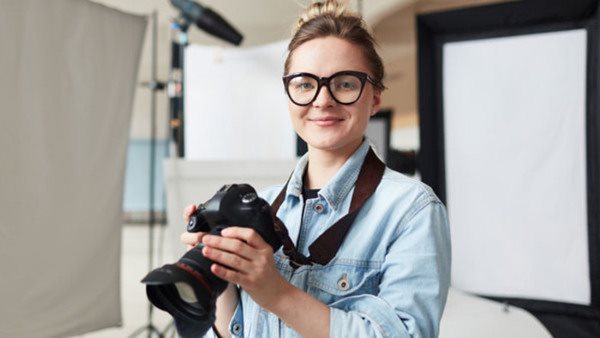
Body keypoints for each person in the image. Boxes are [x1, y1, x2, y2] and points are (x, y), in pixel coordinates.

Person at [181, 1, 451, 337]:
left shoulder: (411, 211)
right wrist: (217, 270)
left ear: (375, 98)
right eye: (305, 84)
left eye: (345, 83)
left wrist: (277, 293)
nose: (323, 100)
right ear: (289, 95)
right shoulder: (262, 206)